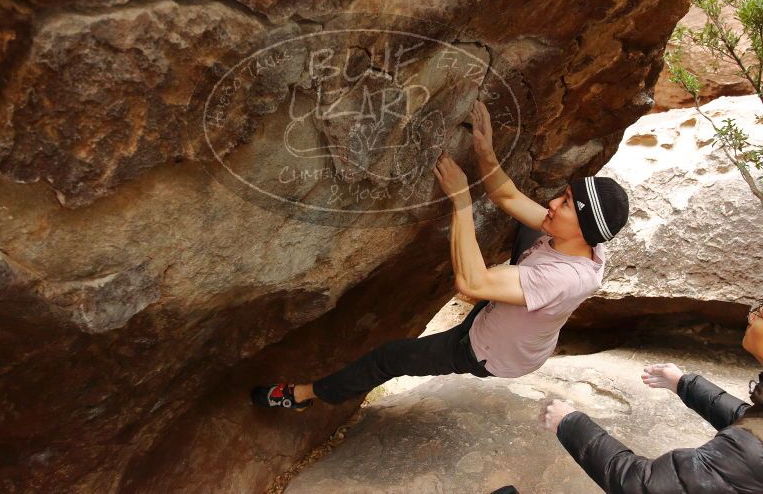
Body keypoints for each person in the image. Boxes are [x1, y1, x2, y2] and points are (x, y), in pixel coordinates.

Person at [252, 99, 630, 410]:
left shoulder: (561, 278)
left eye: (564, 203)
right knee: (527, 225)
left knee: (388, 358)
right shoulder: (580, 240)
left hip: (487, 350)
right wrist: (484, 148)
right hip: (517, 315)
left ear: (582, 228)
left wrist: (461, 201)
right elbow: (508, 196)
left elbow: (470, 283)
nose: (551, 203)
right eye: (562, 195)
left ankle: (302, 395)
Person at [540, 300, 763, 493]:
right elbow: (751, 422)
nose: (751, 316)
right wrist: (686, 385)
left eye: (761, 311)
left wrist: (570, 424)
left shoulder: (751, 454)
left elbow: (644, 485)